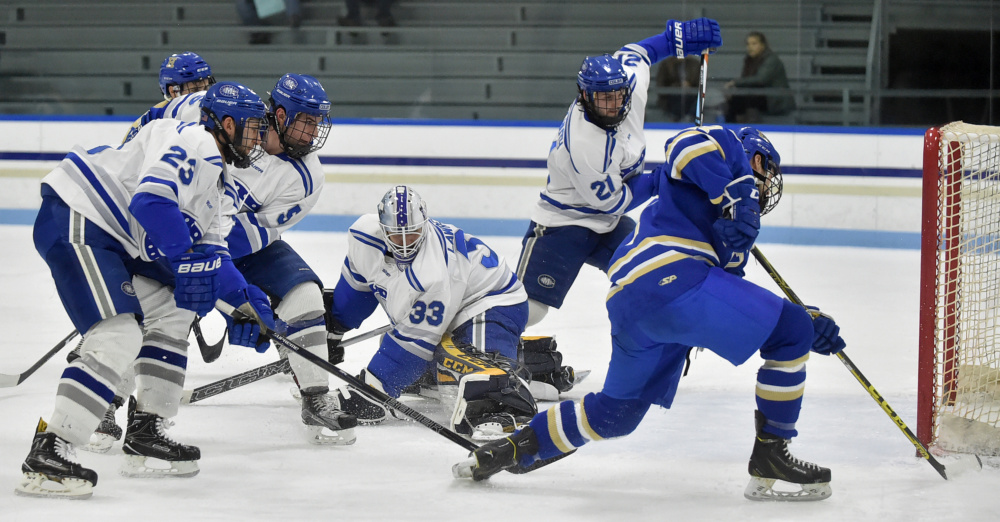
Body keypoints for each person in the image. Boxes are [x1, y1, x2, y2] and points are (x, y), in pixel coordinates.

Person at [454, 126, 848, 502]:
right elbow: (684, 143)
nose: (766, 183)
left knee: (616, 414)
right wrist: (740, 194)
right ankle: (772, 455)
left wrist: (808, 323)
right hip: (671, 276)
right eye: (766, 168)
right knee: (790, 326)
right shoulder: (727, 151)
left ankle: (512, 450)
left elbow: (734, 303)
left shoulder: (736, 236)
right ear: (756, 158)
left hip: (635, 300)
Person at [17, 81, 276, 499]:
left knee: (175, 312)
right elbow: (151, 202)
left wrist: (246, 304)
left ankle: (146, 430)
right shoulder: (195, 139)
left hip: (111, 238)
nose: (258, 139)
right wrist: (186, 259)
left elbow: (214, 256)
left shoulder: (221, 187)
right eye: (252, 128)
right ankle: (49, 450)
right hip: (79, 217)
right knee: (118, 335)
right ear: (227, 124)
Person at [514, 18, 722, 331]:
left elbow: (638, 52)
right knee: (530, 306)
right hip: (564, 224)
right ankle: (482, 344)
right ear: (585, 96)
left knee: (654, 275)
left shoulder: (629, 86)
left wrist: (677, 39)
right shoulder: (583, 143)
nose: (612, 106)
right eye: (603, 99)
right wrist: (665, 178)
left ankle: (660, 341)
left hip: (608, 226)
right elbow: (613, 203)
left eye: (616, 96)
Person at [324, 185, 538, 438]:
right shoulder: (363, 237)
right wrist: (334, 329)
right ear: (382, 229)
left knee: (472, 367)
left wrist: (372, 391)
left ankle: (508, 402)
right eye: (396, 235)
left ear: (424, 225)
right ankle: (527, 359)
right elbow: (356, 290)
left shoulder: (433, 272)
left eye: (412, 234)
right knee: (401, 350)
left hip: (492, 301)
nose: (404, 244)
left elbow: (415, 342)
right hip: (453, 302)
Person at [226, 73, 358, 445]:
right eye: (306, 120)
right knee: (153, 304)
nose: (313, 131)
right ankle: (109, 400)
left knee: (304, 293)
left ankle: (316, 396)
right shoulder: (237, 127)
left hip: (241, 244)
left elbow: (245, 237)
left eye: (317, 122)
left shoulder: (306, 177)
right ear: (280, 115)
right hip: (183, 235)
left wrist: (228, 284)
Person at [122, 51, 217, 143]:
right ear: (173, 92)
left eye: (206, 88)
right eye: (195, 90)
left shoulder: (215, 111)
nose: (202, 94)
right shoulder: (150, 121)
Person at [723, 31, 795, 123]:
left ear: (763, 45)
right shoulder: (749, 61)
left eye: (754, 44)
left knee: (741, 100)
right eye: (748, 44)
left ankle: (734, 128)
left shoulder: (771, 60)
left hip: (775, 100)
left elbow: (761, 80)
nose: (750, 47)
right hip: (762, 96)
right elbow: (748, 81)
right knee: (735, 100)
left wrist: (735, 83)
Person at [655, 55, 701, 122]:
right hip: (671, 97)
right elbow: (660, 83)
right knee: (677, 98)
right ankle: (677, 117)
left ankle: (688, 117)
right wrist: (678, 86)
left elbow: (699, 83)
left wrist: (689, 85)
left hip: (691, 96)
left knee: (692, 100)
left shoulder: (695, 63)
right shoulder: (667, 64)